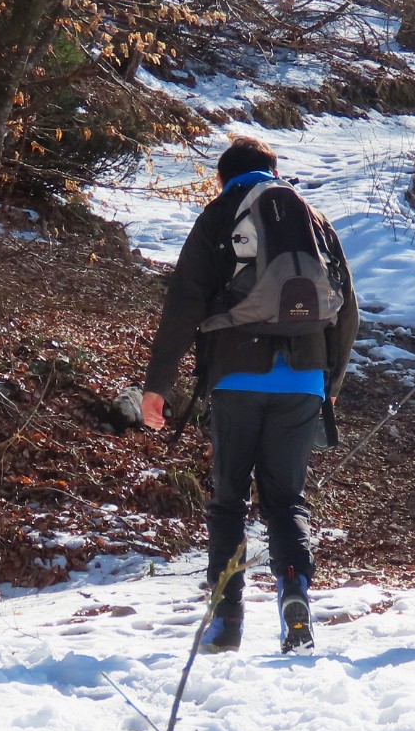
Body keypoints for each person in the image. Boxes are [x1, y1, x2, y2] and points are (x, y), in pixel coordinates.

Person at [141, 136, 359, 653]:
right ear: (273, 169)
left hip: (236, 377)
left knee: (229, 500)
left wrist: (158, 384)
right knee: (286, 500)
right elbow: (347, 310)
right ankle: (295, 598)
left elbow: (184, 303)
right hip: (304, 379)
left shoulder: (219, 217)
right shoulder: (314, 220)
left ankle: (226, 620)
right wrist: (328, 384)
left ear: (223, 178)